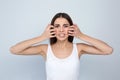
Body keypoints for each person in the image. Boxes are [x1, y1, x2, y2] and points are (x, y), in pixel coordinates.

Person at [10, 12, 113, 80]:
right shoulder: (45, 49)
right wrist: (42, 37)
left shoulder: (79, 48)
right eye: (57, 26)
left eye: (65, 26)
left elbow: (108, 50)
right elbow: (14, 50)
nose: (61, 30)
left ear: (71, 28)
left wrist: (81, 35)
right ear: (52, 29)